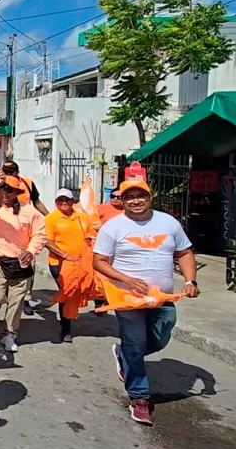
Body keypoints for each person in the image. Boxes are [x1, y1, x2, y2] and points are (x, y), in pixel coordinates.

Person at [93, 178, 200, 426]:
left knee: (160, 338)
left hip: (162, 298)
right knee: (135, 342)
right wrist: (128, 280)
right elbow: (99, 261)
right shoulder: (113, 227)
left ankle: (124, 355)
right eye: (129, 197)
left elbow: (184, 252)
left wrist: (190, 281)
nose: (135, 201)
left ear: (149, 196)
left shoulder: (168, 222)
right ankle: (139, 398)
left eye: (140, 196)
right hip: (127, 297)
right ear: (122, 200)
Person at [0, 175, 47, 353]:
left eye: (10, 190)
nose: (6, 193)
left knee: (16, 301)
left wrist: (31, 251)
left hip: (20, 262)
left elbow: (39, 234)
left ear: (17, 192)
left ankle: (9, 334)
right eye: (3, 189)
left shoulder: (30, 212)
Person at [44, 189, 97, 343]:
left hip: (80, 262)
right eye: (60, 200)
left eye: (67, 200)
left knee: (76, 292)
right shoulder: (51, 218)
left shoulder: (81, 217)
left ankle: (66, 317)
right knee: (67, 291)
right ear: (56, 202)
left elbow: (91, 231)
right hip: (59, 263)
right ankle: (66, 328)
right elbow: (48, 242)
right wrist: (66, 256)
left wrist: (91, 238)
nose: (64, 203)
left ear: (73, 201)